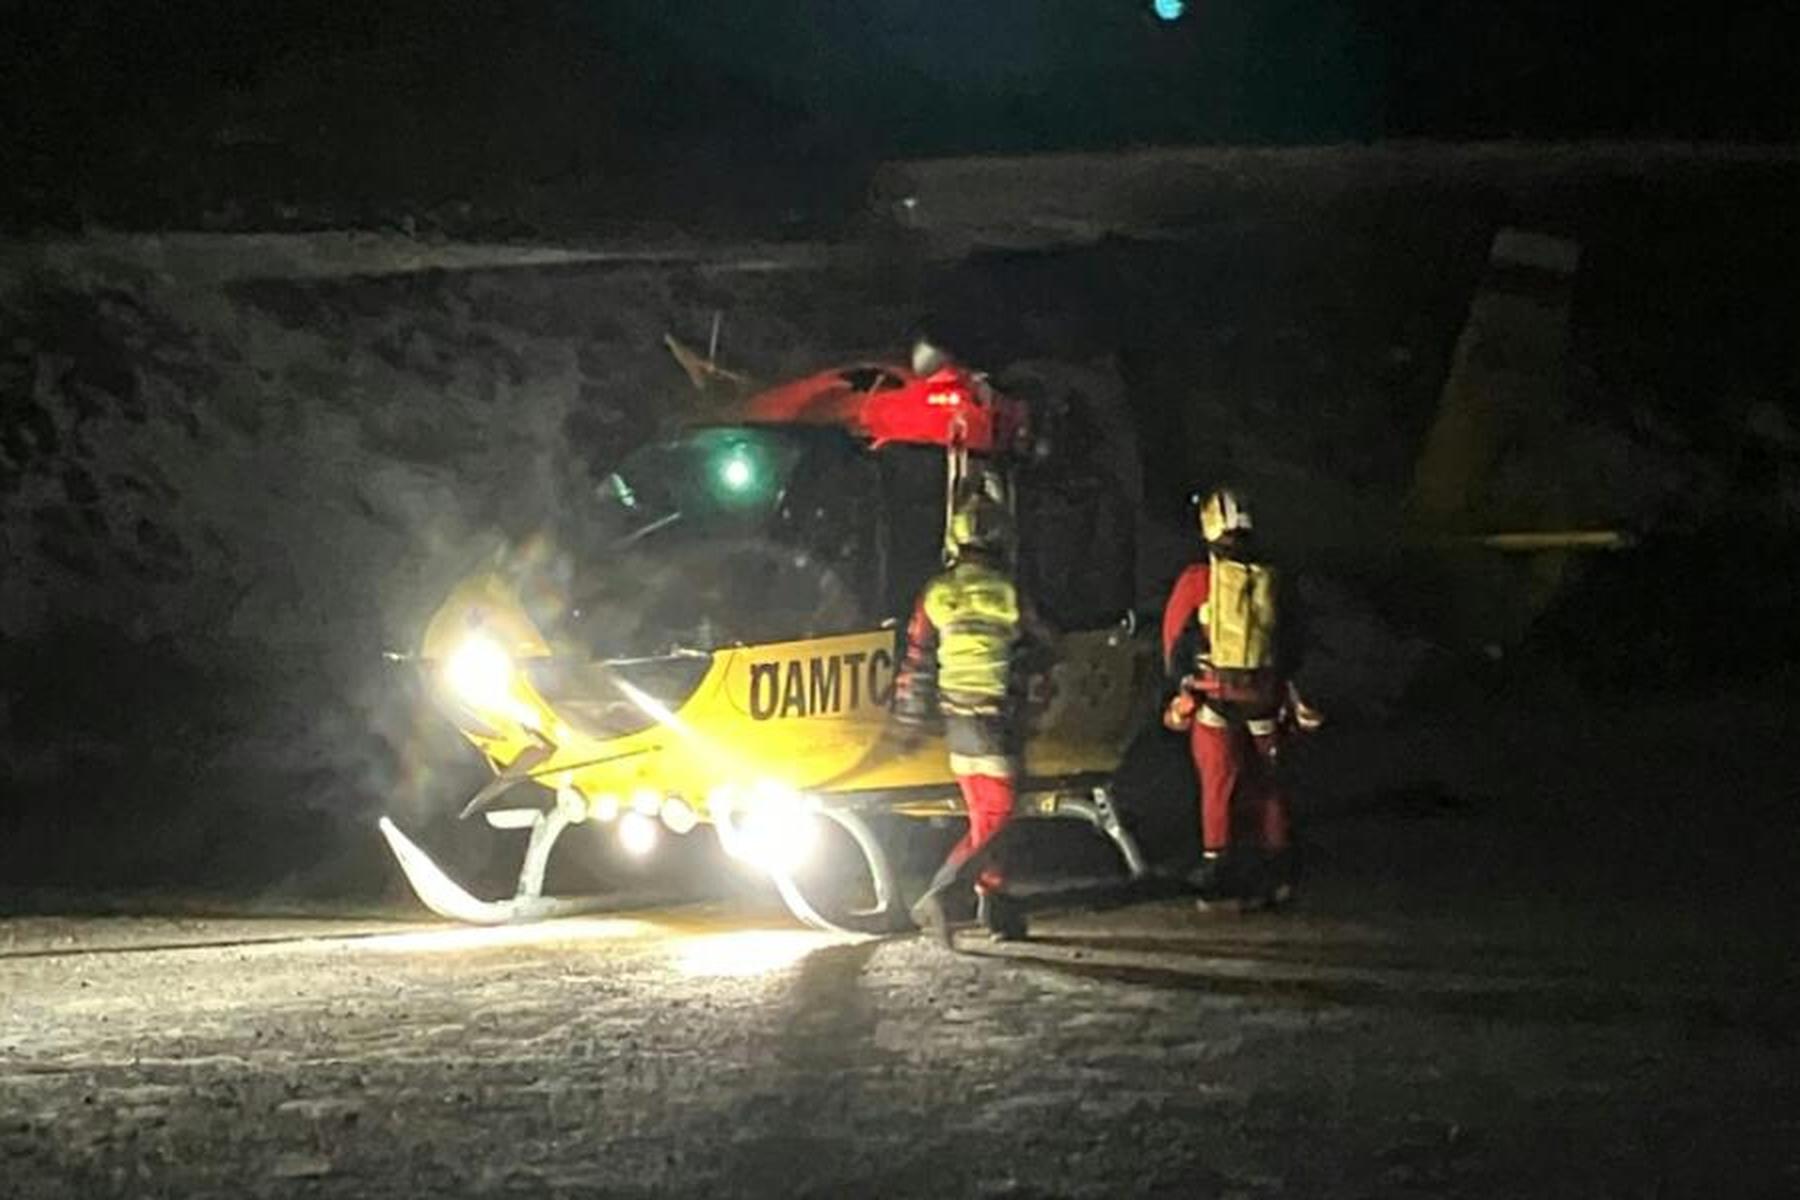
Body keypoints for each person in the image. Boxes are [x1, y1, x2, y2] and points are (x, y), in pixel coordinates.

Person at [1160, 486, 1322, 906]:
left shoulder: (1198, 580)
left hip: (1214, 698)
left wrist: (1182, 685)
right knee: (1270, 785)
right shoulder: (1276, 578)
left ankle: (1218, 870)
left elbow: (1173, 641)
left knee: (1218, 785)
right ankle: (1277, 872)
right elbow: (1296, 640)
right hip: (1265, 697)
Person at [895, 488, 1044, 943]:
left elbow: (917, 659)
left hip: (956, 723)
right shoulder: (1008, 591)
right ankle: (944, 891)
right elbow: (1043, 640)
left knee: (985, 817)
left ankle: (996, 910)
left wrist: (908, 720)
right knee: (999, 822)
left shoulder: (936, 592)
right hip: (995, 719)